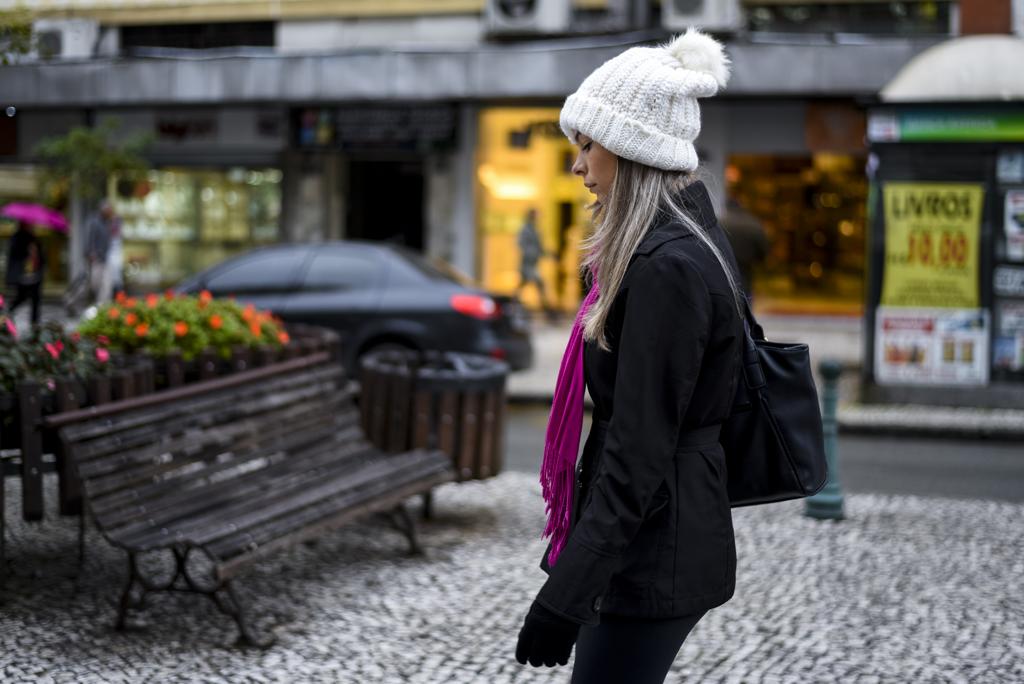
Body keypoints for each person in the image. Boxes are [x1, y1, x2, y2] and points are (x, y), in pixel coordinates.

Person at [514, 29, 746, 683]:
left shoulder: (667, 267)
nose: (578, 166)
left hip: (656, 548)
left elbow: (637, 451)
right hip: (657, 535)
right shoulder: (680, 242)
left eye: (586, 145)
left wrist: (564, 595)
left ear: (629, 148)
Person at [721, 196, 768, 299]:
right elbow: (763, 250)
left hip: (724, 272)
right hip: (746, 271)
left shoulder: (721, 223)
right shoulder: (753, 223)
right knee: (746, 300)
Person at [515, 208, 557, 320]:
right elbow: (522, 245)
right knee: (537, 284)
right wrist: (533, 253)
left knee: (530, 285)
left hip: (533, 264)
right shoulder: (525, 229)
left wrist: (550, 254)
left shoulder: (535, 230)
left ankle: (547, 310)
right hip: (528, 264)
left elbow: (540, 248)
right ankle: (548, 310)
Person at [4, 221, 46, 326]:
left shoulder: (34, 238)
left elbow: (41, 256)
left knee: (36, 299)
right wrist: (28, 252)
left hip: (35, 274)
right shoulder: (17, 238)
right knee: (21, 297)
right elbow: (14, 256)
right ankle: (8, 311)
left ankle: (34, 323)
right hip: (23, 275)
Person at [85, 199, 117, 304]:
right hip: (97, 258)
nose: (110, 212)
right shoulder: (95, 222)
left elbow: (112, 238)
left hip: (106, 257)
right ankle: (95, 301)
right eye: (108, 210)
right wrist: (90, 253)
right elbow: (90, 238)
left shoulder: (109, 222)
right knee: (95, 282)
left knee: (107, 284)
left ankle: (103, 304)